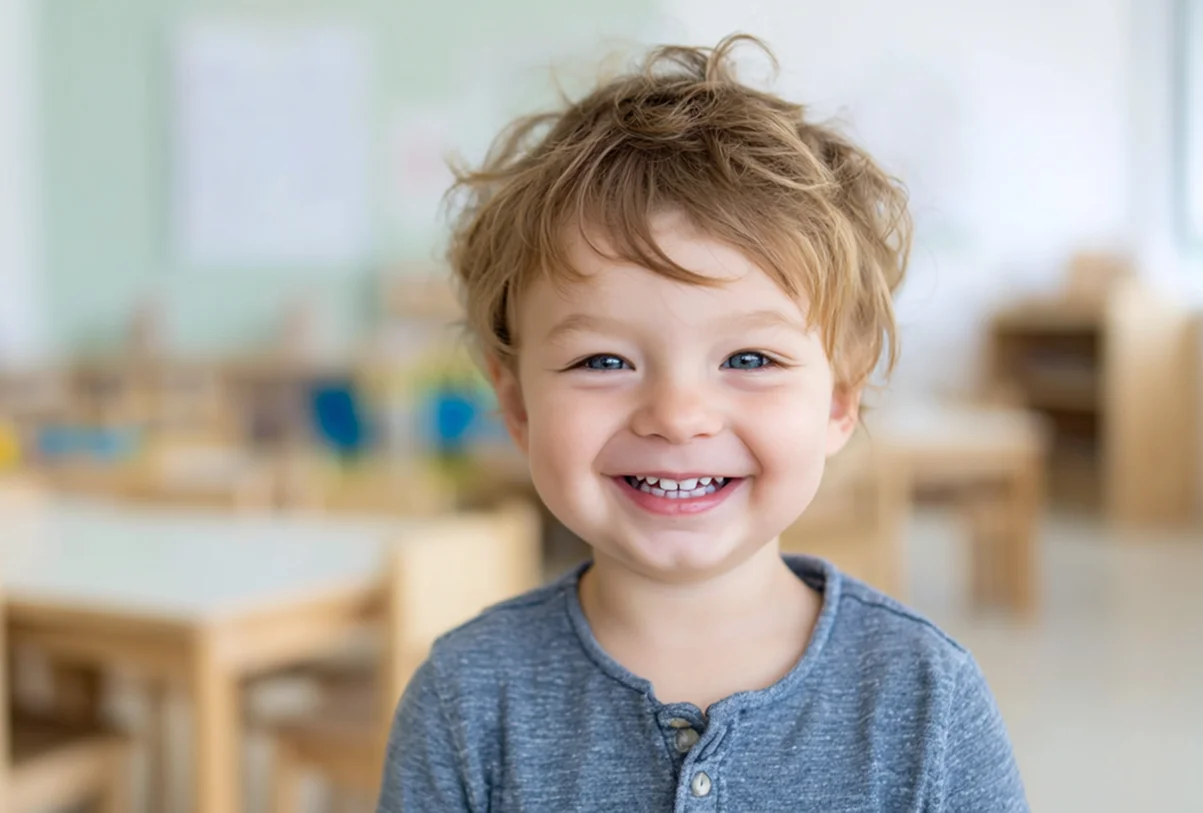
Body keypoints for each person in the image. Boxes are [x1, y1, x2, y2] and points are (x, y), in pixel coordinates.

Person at [377, 34, 1027, 812]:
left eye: (749, 359)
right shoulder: (464, 700)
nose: (678, 416)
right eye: (604, 361)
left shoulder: (927, 700)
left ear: (836, 400)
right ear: (516, 403)